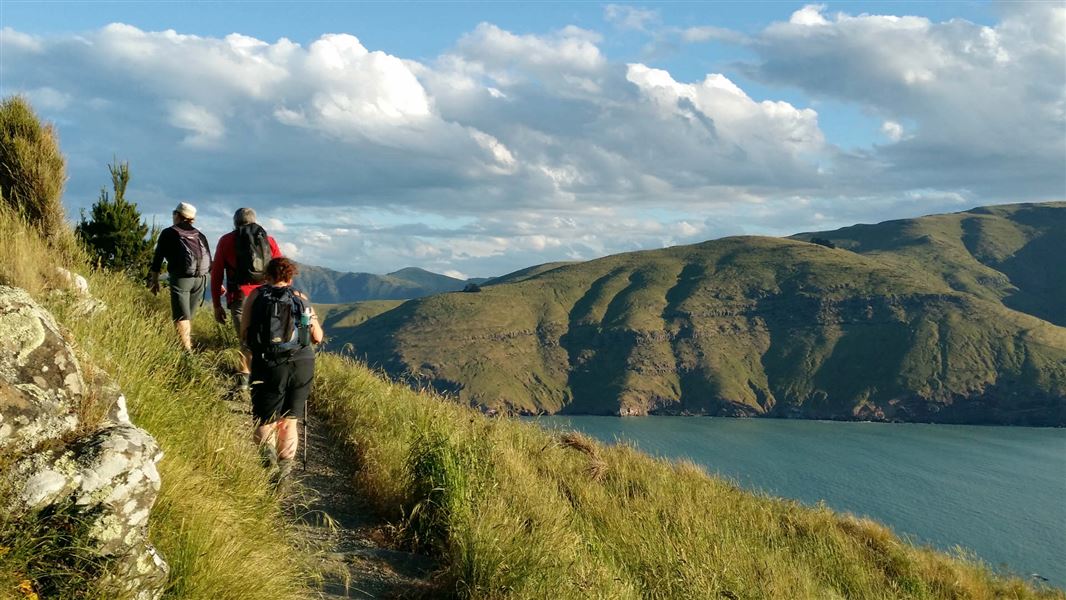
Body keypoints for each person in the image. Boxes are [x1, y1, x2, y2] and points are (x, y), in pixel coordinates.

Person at [240, 257, 322, 488]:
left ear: (267, 275)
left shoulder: (256, 296)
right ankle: (283, 478)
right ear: (290, 276)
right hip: (302, 363)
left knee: (265, 420)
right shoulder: (301, 298)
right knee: (289, 422)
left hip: (268, 364)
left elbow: (244, 333)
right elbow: (317, 337)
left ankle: (269, 470)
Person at [211, 208, 282, 391]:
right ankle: (267, 379)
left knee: (245, 339)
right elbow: (280, 270)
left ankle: (243, 382)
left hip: (240, 296)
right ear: (255, 221)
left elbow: (217, 274)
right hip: (267, 295)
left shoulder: (226, 241)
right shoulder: (269, 240)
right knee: (268, 336)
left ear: (235, 223)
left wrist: (217, 305)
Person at [150, 202, 211, 352]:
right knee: (187, 316)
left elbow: (158, 258)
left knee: (181, 316)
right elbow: (209, 258)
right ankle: (185, 346)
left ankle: (186, 353)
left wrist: (154, 280)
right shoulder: (200, 235)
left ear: (178, 215)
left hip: (182, 279)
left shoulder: (169, 233)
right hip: (202, 279)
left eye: (173, 213)